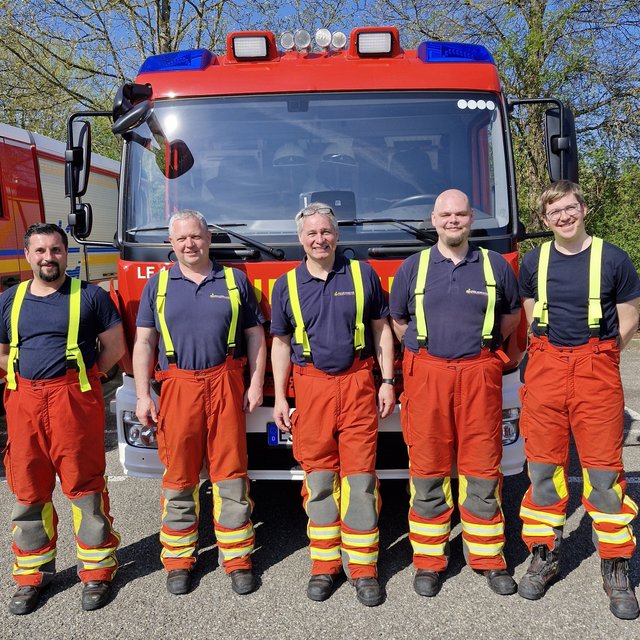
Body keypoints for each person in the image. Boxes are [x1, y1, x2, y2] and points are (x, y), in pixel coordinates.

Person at [517, 180, 640, 620]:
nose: (564, 217)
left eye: (570, 208)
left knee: (604, 472)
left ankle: (615, 563)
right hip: (546, 368)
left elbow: (629, 317)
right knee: (543, 468)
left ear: (583, 209)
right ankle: (544, 554)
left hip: (595, 370)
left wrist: (601, 356)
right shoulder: (534, 260)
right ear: (545, 219)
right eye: (555, 212)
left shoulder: (614, 258)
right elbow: (530, 311)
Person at [389, 189, 521, 597]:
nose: (453, 221)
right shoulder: (413, 267)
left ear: (471, 219)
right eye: (445, 215)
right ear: (434, 220)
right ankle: (429, 561)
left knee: (482, 465)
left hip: (479, 372)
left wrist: (478, 349)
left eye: (460, 214)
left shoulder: (495, 265)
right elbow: (399, 322)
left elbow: (512, 316)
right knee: (427, 468)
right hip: (428, 374)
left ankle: (488, 557)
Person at [132, 210, 266, 597]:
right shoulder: (158, 285)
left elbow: (255, 336)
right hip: (177, 386)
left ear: (208, 238)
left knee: (231, 472)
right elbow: (144, 342)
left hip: (225, 381)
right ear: (171, 244)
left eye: (195, 236)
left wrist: (256, 383)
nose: (189, 244)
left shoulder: (234, 281)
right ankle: (178, 560)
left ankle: (237, 558)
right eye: (181, 239)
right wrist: (142, 395)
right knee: (179, 475)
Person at [270, 202, 395, 607]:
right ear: (300, 239)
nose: (319, 239)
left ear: (337, 236)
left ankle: (363, 568)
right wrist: (281, 397)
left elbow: (381, 330)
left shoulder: (362, 275)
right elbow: (280, 344)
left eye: (326, 232)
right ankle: (324, 565)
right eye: (312, 233)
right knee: (319, 480)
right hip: (311, 389)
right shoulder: (286, 285)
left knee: (360, 481)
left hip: (358, 384)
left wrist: (387, 381)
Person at [0, 223, 125, 615]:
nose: (48, 258)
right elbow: (2, 351)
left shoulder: (89, 296)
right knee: (28, 488)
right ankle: (32, 575)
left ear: (65, 253)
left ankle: (97, 570)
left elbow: (115, 347)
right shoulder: (9, 299)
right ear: (27, 255)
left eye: (55, 250)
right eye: (40, 251)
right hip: (24, 401)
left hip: (71, 400)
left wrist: (83, 377)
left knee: (84, 486)